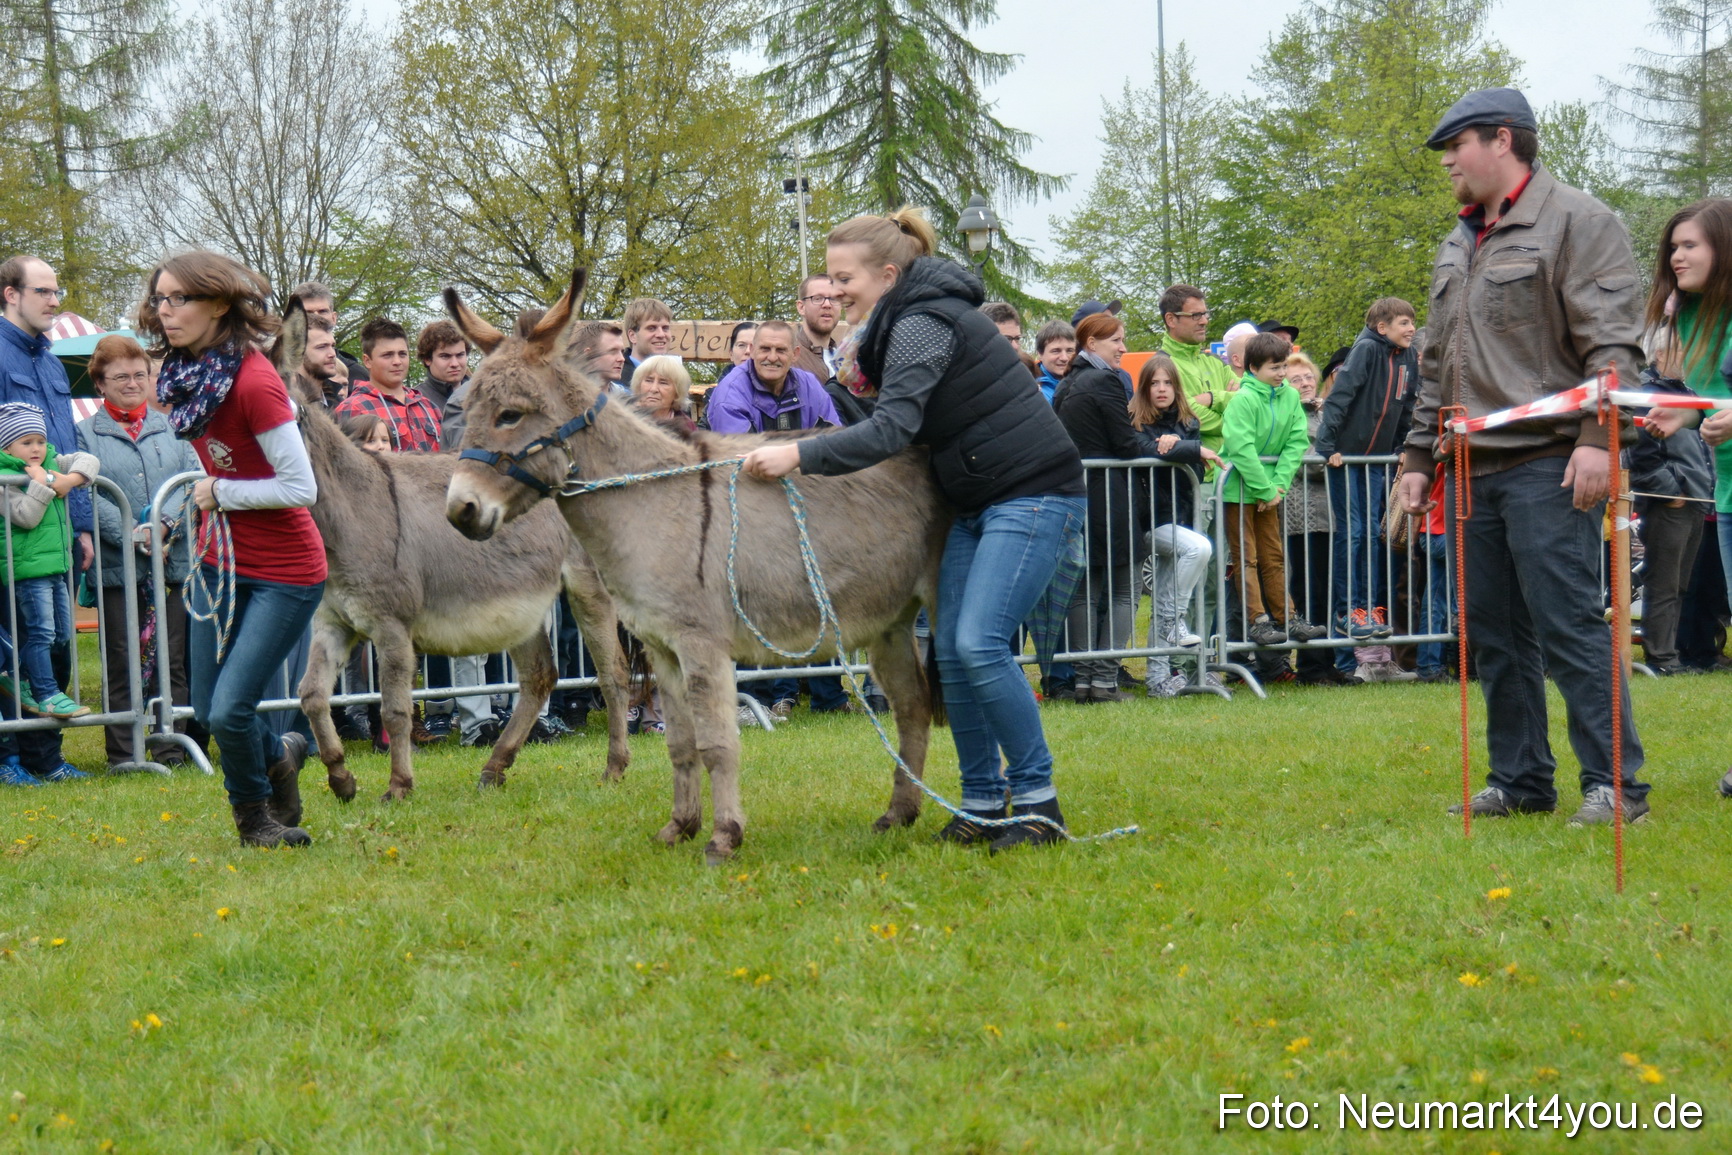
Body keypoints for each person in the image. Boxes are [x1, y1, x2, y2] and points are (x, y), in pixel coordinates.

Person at [742, 208, 1086, 851]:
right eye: (830, 278)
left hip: (1033, 492)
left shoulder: (925, 322)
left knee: (979, 645)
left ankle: (1039, 804)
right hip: (975, 499)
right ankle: (982, 802)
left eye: (844, 278)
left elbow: (893, 429)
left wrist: (799, 455)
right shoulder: (899, 324)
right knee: (951, 653)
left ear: (889, 274)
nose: (834, 289)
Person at [1400, 86, 1648, 825]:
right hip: (1470, 468)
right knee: (1495, 637)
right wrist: (1418, 457)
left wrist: (1600, 439)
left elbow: (1612, 346)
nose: (1447, 162)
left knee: (1569, 622)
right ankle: (1519, 779)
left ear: (1503, 140)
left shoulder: (1579, 220)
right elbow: (1438, 360)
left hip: (1549, 461)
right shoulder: (1458, 240)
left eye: (1456, 146)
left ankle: (1614, 785)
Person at [143, 250, 326, 848]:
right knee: (210, 704)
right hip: (220, 561)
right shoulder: (186, 374)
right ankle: (283, 755)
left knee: (228, 711)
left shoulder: (252, 380)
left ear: (220, 303)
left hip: (286, 571)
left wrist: (217, 490)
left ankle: (256, 820)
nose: (164, 311)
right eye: (161, 299)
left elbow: (302, 487)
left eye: (180, 300)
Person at [77, 334, 203, 769]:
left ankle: (171, 746)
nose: (132, 383)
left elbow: (193, 480)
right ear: (100, 383)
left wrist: (165, 525)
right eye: (120, 377)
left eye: (140, 375)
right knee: (122, 658)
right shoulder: (83, 435)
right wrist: (131, 531)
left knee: (174, 658)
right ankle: (124, 752)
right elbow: (87, 496)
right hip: (118, 565)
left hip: (173, 561)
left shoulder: (175, 427)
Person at [1315, 298, 1419, 674]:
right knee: (1354, 533)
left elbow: (1406, 405)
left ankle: (1371, 609)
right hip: (1347, 458)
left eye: (1412, 323)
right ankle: (1350, 609)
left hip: (1376, 461)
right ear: (1382, 327)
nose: (1410, 329)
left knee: (1374, 535)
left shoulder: (1407, 357)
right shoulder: (1364, 351)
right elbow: (1340, 398)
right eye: (1404, 323)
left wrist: (1402, 444)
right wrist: (1327, 447)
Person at [1054, 311, 1146, 703]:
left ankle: (1085, 682)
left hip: (1077, 497)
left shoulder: (1067, 382)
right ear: (1092, 344)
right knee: (1125, 591)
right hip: (1109, 497)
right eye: (1117, 341)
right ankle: (1104, 681)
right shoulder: (1103, 380)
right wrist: (1182, 448)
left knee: (1084, 593)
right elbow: (1126, 444)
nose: (1123, 348)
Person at [1220, 333, 1325, 650]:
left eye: (1282, 367)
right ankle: (1257, 621)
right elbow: (1240, 448)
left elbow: (1296, 443)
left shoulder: (1289, 397)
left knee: (1274, 557)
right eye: (1273, 368)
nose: (1280, 374)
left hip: (1270, 490)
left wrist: (1276, 486)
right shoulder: (1243, 399)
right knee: (1246, 558)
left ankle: (1288, 618)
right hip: (1238, 490)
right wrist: (1265, 489)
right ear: (1253, 368)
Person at [0, 401, 98, 723]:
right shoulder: (5, 478)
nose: (36, 448)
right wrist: (43, 485)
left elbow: (89, 459)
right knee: (41, 632)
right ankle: (46, 694)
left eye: (40, 441)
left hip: (57, 565)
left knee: (61, 634)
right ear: (7, 445)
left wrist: (69, 480)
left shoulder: (52, 462)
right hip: (28, 571)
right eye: (26, 442)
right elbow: (25, 517)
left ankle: (18, 676)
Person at [1129, 353, 1219, 697]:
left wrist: (1180, 446)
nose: (1162, 389)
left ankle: (1157, 678)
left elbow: (1195, 474)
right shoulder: (1133, 420)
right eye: (1154, 383)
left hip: (1181, 516)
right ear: (1144, 388)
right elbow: (1140, 450)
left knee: (1166, 592)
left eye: (1168, 382)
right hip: (1148, 520)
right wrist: (1186, 449)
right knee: (1199, 548)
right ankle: (1172, 622)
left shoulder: (1188, 422)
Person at [1280, 352, 1352, 686]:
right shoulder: (1289, 414)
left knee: (1329, 591)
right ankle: (1310, 667)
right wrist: (1332, 460)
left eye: (1308, 376)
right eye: (1296, 379)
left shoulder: (1325, 412)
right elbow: (1300, 460)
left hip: (1331, 515)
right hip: (1302, 517)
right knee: (1308, 591)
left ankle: (1327, 661)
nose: (1306, 383)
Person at [706, 320, 842, 434]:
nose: (772, 357)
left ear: (795, 354)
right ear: (752, 351)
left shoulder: (810, 386)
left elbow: (833, 443)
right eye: (765, 349)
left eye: (781, 350)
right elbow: (741, 460)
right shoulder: (730, 396)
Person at [334, 318, 442, 452]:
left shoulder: (428, 406)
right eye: (387, 355)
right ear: (367, 361)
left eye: (402, 354)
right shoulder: (352, 408)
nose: (397, 361)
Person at [1157, 285, 1235, 459]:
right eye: (1195, 315)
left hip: (1230, 473)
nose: (1204, 321)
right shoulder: (1160, 366)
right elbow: (1185, 414)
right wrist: (1232, 414)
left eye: (1205, 314)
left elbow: (1251, 401)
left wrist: (1212, 398)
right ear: (1171, 319)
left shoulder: (1215, 362)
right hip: (1195, 474)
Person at [290, 282, 367, 385]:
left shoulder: (355, 374)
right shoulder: (275, 368)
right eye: (308, 313)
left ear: (334, 318)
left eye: (322, 311)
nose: (316, 317)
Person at [415, 320, 470, 413]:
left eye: (460, 355)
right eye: (445, 356)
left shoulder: (483, 395)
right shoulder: (416, 401)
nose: (454, 364)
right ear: (427, 359)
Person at [631, 354, 695, 432]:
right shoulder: (625, 421)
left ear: (677, 392)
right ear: (638, 385)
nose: (654, 389)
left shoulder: (688, 427)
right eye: (649, 380)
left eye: (663, 382)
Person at [301, 314, 348, 409]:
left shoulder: (339, 404)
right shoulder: (287, 402)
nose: (332, 354)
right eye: (322, 347)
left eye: (333, 346)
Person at [623, 297, 675, 379]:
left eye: (665, 328)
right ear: (632, 336)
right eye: (651, 328)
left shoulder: (675, 377)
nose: (661, 334)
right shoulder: (615, 382)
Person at [1033, 321, 1075, 404]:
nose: (1064, 358)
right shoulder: (1036, 393)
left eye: (1070, 351)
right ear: (1040, 354)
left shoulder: (1084, 384)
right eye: (1056, 351)